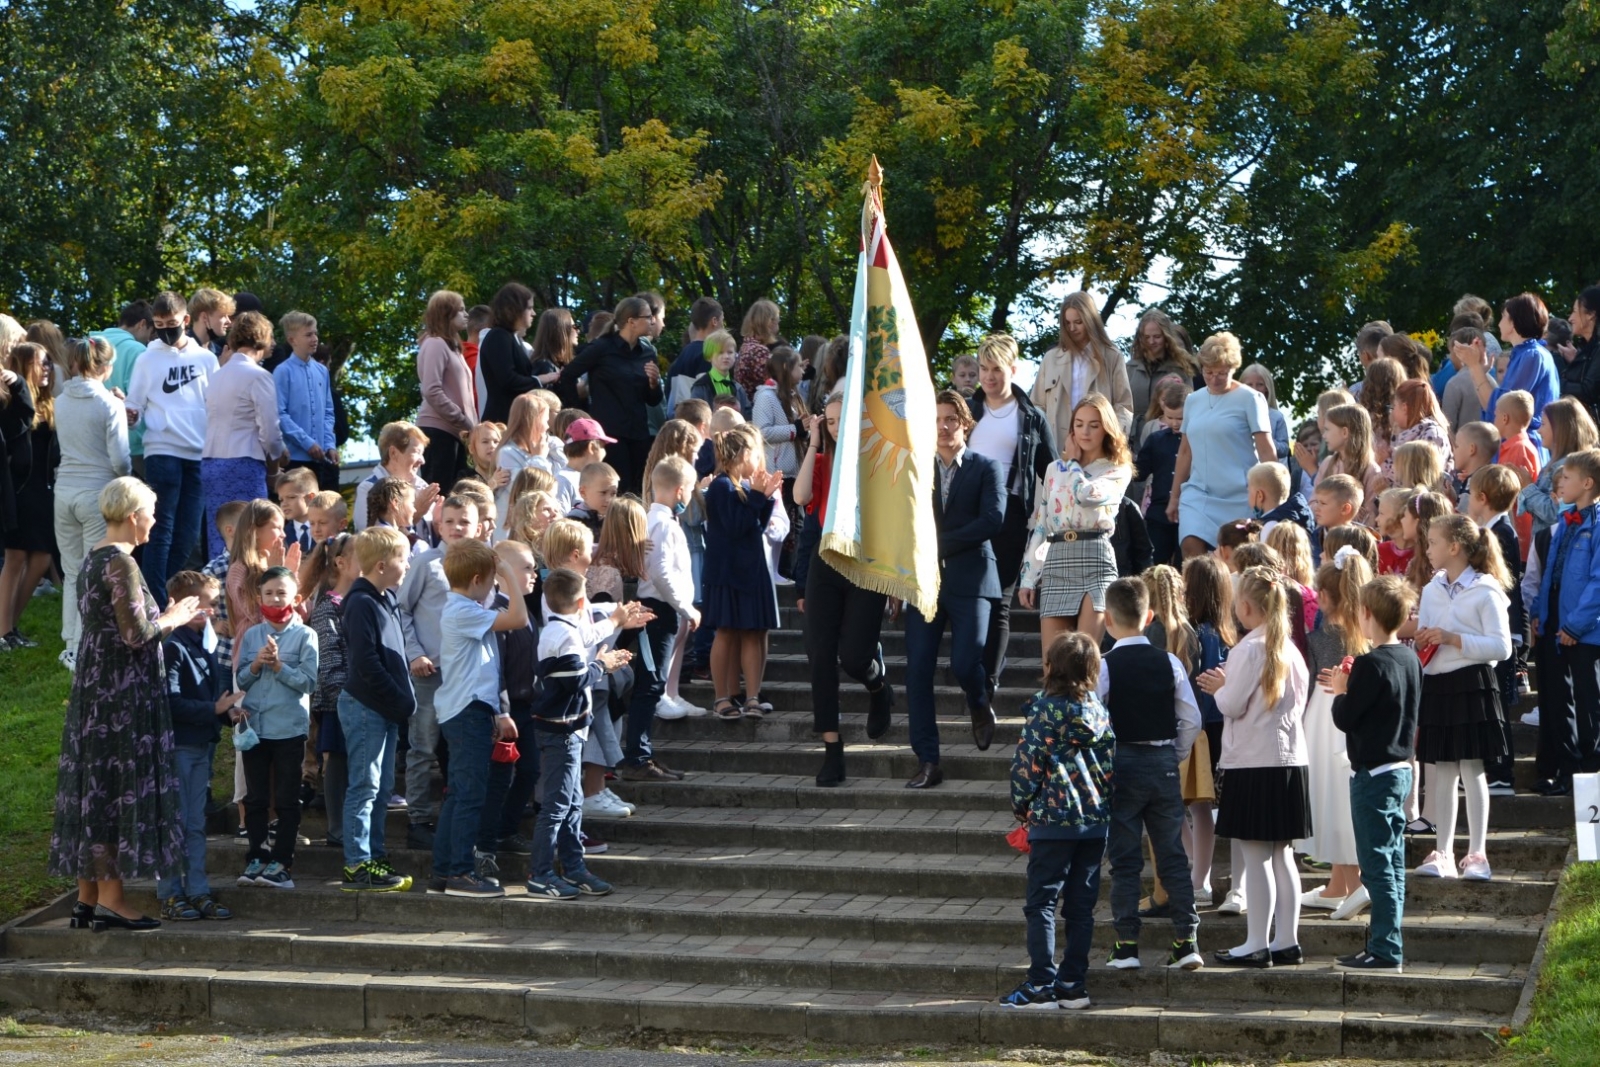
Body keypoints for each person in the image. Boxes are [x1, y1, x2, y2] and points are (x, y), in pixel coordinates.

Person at [48, 477, 203, 931]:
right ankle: (113, 899)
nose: (156, 520)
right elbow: (135, 636)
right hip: (121, 699)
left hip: (96, 692)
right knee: (114, 789)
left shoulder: (93, 559)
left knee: (94, 786)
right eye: (152, 512)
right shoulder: (122, 564)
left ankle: (86, 898)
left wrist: (163, 615)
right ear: (135, 515)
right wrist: (174, 617)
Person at [1196, 566, 1312, 967]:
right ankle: (1286, 939)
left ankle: (1256, 942)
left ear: (1245, 606)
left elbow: (1231, 704)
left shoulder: (1247, 649)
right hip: (1290, 761)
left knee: (1257, 854)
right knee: (1282, 854)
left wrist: (1218, 687)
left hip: (1253, 762)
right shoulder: (1292, 651)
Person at [1001, 632, 1114, 1011]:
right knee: (1081, 906)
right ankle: (1072, 983)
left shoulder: (1044, 712)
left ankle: (1040, 983)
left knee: (1042, 902)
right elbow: (1112, 768)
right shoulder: (1100, 713)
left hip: (1052, 819)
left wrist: (1023, 809)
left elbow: (1026, 768)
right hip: (1094, 823)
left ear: (1050, 667)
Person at [1097, 578, 1204, 972]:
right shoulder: (1170, 661)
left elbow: (1094, 717)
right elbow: (1190, 717)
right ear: (1150, 617)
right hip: (1161, 764)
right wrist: (1174, 752)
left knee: (1124, 858)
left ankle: (1126, 944)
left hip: (1121, 763)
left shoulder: (1105, 666)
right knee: (1171, 853)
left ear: (1107, 618)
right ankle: (1186, 939)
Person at [904, 391, 1005, 787]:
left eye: (951, 419)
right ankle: (927, 760)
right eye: (937, 419)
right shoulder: (915, 470)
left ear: (966, 424)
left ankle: (979, 704)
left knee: (966, 663)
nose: (944, 427)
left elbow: (993, 520)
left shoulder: (986, 468)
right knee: (917, 671)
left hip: (972, 579)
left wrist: (939, 544)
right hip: (924, 584)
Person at [528, 567, 646, 899]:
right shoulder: (562, 637)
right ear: (582, 603)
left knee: (572, 803)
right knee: (557, 806)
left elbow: (588, 638)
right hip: (560, 730)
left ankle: (574, 867)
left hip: (569, 728)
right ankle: (541, 873)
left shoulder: (562, 628)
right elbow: (574, 680)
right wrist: (602, 666)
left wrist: (615, 623)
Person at [1324, 575, 1423, 971]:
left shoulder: (1368, 663)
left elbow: (1346, 718)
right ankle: (1386, 942)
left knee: (1377, 864)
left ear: (1367, 615)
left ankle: (1385, 949)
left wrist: (1340, 689)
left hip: (1374, 774)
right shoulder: (1410, 658)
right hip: (1401, 769)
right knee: (1392, 861)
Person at [423, 539, 528, 898]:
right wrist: (511, 576)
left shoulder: (462, 608)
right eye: (491, 581)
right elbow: (519, 617)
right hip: (467, 712)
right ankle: (460, 874)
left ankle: (443, 871)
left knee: (459, 795)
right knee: (469, 795)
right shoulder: (462, 610)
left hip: (469, 709)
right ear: (479, 578)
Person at [1414, 513, 1514, 882]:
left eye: (1433, 542)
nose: (1428, 549)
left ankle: (1477, 853)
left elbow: (1502, 647)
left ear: (1454, 547)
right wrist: (1424, 640)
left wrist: (1453, 638)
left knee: (1472, 770)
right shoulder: (1431, 588)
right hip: (1439, 684)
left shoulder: (1486, 590)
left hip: (1473, 681)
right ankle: (1442, 851)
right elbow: (1427, 634)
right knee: (1442, 772)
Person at [967, 334, 1056, 700]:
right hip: (965, 512)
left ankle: (989, 680)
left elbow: (1050, 471)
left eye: (996, 369)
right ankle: (971, 667)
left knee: (1000, 600)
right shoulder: (965, 410)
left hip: (1010, 513)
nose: (988, 376)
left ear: (1013, 370)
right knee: (971, 597)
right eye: (983, 369)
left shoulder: (1032, 417)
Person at [396, 494, 482, 848]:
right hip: (430, 672)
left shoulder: (486, 564)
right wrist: (414, 653)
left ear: (478, 526)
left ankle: (456, 815)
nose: (457, 527)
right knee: (423, 745)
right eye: (450, 521)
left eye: (464, 521)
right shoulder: (426, 564)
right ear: (438, 525)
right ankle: (418, 820)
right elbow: (401, 611)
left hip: (469, 674)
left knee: (461, 749)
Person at [125, 291, 218, 607]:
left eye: (172, 323)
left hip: (198, 454)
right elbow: (134, 403)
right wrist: (131, 414)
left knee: (189, 534)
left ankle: (159, 591)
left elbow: (216, 405)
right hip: (162, 450)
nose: (166, 330)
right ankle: (154, 599)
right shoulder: (147, 358)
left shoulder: (206, 359)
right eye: (159, 324)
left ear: (186, 321)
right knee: (161, 530)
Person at [1019, 393, 1133, 650]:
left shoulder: (1117, 469)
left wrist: (1072, 464)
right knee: (1054, 662)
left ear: (1106, 429)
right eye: (1079, 424)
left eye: (1094, 425)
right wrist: (1028, 577)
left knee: (1084, 657)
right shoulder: (1054, 469)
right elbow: (1042, 525)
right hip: (1057, 558)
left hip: (1095, 558)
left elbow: (1087, 496)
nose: (1085, 431)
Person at [339, 526, 418, 891]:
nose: (408, 564)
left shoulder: (385, 598)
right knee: (365, 785)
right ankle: (357, 863)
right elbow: (366, 663)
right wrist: (398, 698)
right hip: (366, 706)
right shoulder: (360, 603)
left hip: (384, 708)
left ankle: (374, 853)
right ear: (383, 565)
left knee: (383, 785)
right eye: (403, 558)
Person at [156, 570, 238, 921]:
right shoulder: (173, 647)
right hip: (178, 749)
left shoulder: (202, 645)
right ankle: (171, 893)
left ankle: (198, 890)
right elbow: (169, 703)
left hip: (200, 746)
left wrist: (226, 712)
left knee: (194, 824)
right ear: (187, 605)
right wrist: (214, 709)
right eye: (210, 605)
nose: (216, 612)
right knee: (174, 822)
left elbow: (208, 700)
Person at [1298, 545, 1375, 921]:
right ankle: (1339, 882)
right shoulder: (1364, 624)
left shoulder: (1328, 630)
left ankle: (1351, 879)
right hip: (1337, 710)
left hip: (1328, 713)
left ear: (1326, 596)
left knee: (1333, 795)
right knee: (1335, 795)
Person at [234, 566, 319, 889]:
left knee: (286, 798)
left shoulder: (305, 635)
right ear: (259, 598)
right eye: (268, 593)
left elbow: (309, 682)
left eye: (281, 593)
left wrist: (280, 666)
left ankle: (283, 861)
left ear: (295, 598)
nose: (274, 598)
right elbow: (241, 678)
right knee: (255, 798)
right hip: (256, 727)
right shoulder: (253, 634)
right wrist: (256, 663)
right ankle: (257, 855)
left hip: (289, 729)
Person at [619, 456, 702, 779]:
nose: (690, 496)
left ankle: (642, 754)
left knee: (651, 684)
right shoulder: (663, 524)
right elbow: (660, 572)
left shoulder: (658, 520)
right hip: (659, 609)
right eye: (690, 490)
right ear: (680, 490)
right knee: (650, 684)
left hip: (661, 608)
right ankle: (637, 757)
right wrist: (686, 607)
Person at [1529, 448, 1600, 795]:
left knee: (1589, 704)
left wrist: (1575, 625)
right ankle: (1568, 772)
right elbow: (1550, 576)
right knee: (1558, 700)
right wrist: (1539, 613)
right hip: (1556, 623)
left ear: (1587, 483)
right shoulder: (1566, 522)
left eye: (1567, 478)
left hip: (1585, 631)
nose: (1560, 484)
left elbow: (1597, 581)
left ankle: (1591, 775)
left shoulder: (1597, 523)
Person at [1168, 332, 1276, 556]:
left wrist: (1275, 496)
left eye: (1222, 373)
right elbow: (1185, 451)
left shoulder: (1251, 399)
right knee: (1190, 545)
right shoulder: (1193, 400)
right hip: (1198, 493)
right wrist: (1175, 496)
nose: (1214, 379)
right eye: (1208, 372)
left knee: (1236, 559)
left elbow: (1265, 448)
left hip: (1239, 494)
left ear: (1233, 369)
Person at [704, 425, 783, 721]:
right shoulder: (721, 486)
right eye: (756, 454)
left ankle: (752, 696)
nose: (758, 461)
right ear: (745, 454)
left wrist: (766, 497)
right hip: (728, 574)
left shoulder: (742, 486)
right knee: (725, 631)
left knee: (753, 631)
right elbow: (736, 526)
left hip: (749, 571)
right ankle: (721, 697)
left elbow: (754, 526)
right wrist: (758, 497)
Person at [200, 312, 287, 560]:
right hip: (243, 463)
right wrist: (277, 461)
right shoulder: (259, 376)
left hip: (210, 463)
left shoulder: (217, 376)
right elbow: (270, 432)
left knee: (221, 537)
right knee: (250, 537)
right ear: (262, 338)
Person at [558, 296, 663, 494]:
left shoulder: (647, 353)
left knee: (640, 490)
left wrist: (654, 383)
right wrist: (581, 413)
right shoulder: (602, 347)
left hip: (639, 433)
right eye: (648, 317)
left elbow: (653, 399)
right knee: (618, 489)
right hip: (611, 434)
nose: (653, 321)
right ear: (631, 321)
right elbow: (568, 375)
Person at [1181, 555, 1234, 905]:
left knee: (1190, 805)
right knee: (1199, 806)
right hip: (1219, 727)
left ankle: (1198, 877)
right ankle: (1196, 871)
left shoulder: (1195, 635)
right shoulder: (1228, 635)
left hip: (1197, 729)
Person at [0, 341, 56, 649]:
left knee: (42, 558)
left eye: (49, 362)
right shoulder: (12, 405)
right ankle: (3, 630)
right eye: (41, 362)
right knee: (16, 557)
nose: (48, 367)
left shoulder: (50, 404)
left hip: (43, 491)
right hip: (18, 490)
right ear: (24, 367)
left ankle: (10, 626)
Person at [306, 534, 355, 848]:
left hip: (362, 698)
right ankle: (337, 827)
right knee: (337, 759)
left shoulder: (363, 600)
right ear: (340, 562)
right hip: (339, 701)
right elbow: (329, 658)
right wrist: (343, 698)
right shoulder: (328, 606)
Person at [1032, 292, 1134, 441]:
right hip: (1057, 446)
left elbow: (1124, 406)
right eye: (1067, 323)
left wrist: (1114, 438)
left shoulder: (1112, 356)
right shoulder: (1051, 358)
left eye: (1078, 322)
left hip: (1099, 446)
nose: (1072, 328)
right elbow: (1037, 406)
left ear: (1090, 320)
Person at [1464, 293, 1560, 447]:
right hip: (1516, 445)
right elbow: (1491, 410)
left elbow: (1504, 411)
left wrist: (1475, 367)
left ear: (1514, 322)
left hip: (1523, 447)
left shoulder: (1532, 355)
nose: (1499, 324)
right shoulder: (1526, 354)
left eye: (1503, 317)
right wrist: (1478, 370)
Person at [417, 290, 476, 489]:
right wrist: (463, 420)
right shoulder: (435, 344)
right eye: (460, 310)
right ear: (446, 314)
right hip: (439, 431)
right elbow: (431, 390)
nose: (465, 314)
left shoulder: (452, 347)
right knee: (439, 495)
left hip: (455, 432)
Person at [274, 311, 339, 490]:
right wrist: (307, 442)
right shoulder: (282, 372)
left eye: (316, 333)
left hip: (322, 459)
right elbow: (279, 414)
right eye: (308, 334)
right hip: (295, 460)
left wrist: (329, 444)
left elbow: (328, 412)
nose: (315, 338)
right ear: (292, 340)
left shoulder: (322, 371)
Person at [353, 421, 438, 534]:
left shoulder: (422, 487)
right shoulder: (368, 488)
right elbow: (373, 541)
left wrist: (440, 523)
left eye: (422, 453)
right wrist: (416, 513)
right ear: (393, 453)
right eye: (417, 452)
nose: (423, 461)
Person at [1127, 309, 1196, 447]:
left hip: (1169, 437)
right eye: (1147, 337)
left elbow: (1190, 406)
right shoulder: (1130, 368)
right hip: (1133, 438)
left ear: (1166, 337)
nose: (1151, 341)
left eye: (1157, 336)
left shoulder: (1181, 367)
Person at [1136, 379, 1186, 565]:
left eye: (1180, 418)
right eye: (1169, 417)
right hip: (1159, 513)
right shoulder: (1155, 439)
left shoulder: (1198, 440)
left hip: (1189, 511)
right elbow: (1139, 472)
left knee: (1185, 565)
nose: (1174, 423)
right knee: (1154, 566)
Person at [1317, 404, 1388, 527]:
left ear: (1345, 432)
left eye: (1327, 430)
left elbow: (1370, 516)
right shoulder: (1328, 463)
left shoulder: (1371, 470)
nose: (1324, 436)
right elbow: (1313, 500)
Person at [477, 283, 539, 423]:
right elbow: (508, 379)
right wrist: (540, 380)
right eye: (529, 308)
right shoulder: (498, 336)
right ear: (513, 309)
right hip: (502, 420)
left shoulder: (510, 337)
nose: (533, 313)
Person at [1493, 391, 1542, 562]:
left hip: (1518, 536)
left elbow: (1507, 493)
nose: (1494, 420)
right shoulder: (1517, 446)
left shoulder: (1518, 449)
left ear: (1505, 418)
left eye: (1495, 415)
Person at [1386, 379, 1453, 484]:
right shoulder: (1407, 432)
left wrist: (1383, 461)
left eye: (1394, 406)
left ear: (1404, 408)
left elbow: (1412, 477)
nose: (1392, 412)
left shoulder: (1432, 435)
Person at [91, 300, 155, 405]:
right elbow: (139, 402)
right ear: (142, 324)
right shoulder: (138, 351)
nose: (149, 340)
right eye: (151, 333)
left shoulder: (88, 344)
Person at [668, 297, 724, 408]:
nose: (723, 325)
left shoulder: (681, 357)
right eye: (722, 320)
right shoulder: (708, 355)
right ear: (714, 321)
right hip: (699, 419)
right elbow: (709, 398)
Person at [1443, 325, 1497, 438]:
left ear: (1458, 352)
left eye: (1450, 353)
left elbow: (1447, 427)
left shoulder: (1454, 384)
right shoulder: (1491, 381)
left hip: (1464, 448)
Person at [1560, 285, 1600, 424]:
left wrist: (1557, 381)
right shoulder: (1586, 349)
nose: (1570, 318)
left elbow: (1588, 391)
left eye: (1575, 311)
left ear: (1591, 315)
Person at [1241, 364, 1292, 465]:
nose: (1254, 389)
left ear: (1267, 388)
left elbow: (1284, 449)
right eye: (1249, 385)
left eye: (1259, 384)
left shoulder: (1276, 416)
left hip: (1265, 471)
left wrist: (1265, 440)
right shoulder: (1235, 414)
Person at [732, 299, 782, 400]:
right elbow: (774, 384)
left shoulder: (745, 347)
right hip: (757, 410)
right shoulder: (759, 352)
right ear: (769, 322)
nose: (778, 323)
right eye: (777, 320)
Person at [1452, 420, 1501, 503]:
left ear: (1471, 449)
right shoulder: (1486, 480)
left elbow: (1462, 515)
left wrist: (1448, 500)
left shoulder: (1473, 484)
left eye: (1456, 446)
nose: (1453, 451)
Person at [529, 307, 579, 384]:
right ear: (561, 331)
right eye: (574, 327)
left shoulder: (561, 364)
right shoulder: (544, 365)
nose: (578, 331)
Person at [187, 288, 235, 357]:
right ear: (204, 317)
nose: (228, 321)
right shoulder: (180, 350)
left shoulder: (220, 352)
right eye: (223, 316)